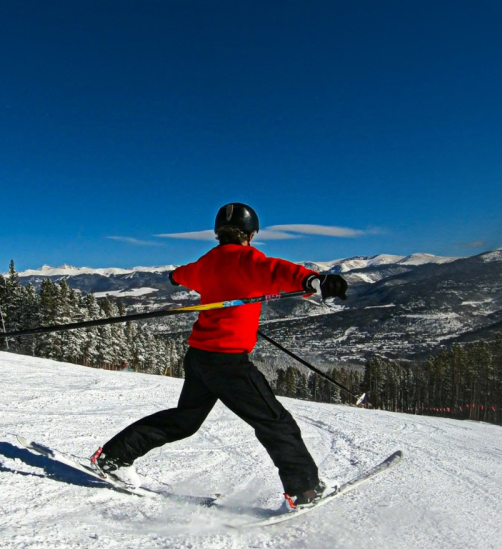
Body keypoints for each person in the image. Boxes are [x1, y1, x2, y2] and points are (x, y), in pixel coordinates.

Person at [91, 202, 348, 509]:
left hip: (200, 357)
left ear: (219, 233)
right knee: (275, 422)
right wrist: (314, 281)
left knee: (185, 421)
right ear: (250, 235)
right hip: (228, 362)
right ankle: (305, 491)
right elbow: (279, 271)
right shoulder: (248, 258)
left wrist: (175, 277)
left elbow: (183, 274)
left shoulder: (207, 262)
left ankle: (114, 457)